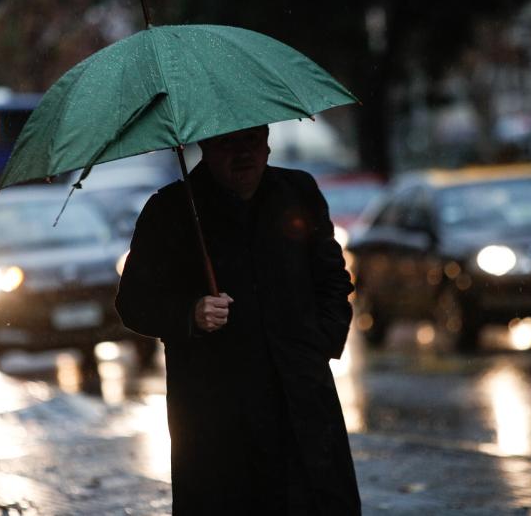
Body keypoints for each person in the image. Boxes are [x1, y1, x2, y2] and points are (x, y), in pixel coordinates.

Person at [115, 124, 360, 515]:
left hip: (299, 401)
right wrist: (191, 312)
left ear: (266, 142)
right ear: (204, 148)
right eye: (226, 143)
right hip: (216, 413)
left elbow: (333, 279)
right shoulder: (171, 209)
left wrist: (320, 345)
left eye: (250, 140)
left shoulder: (298, 192)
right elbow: (133, 303)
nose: (242, 153)